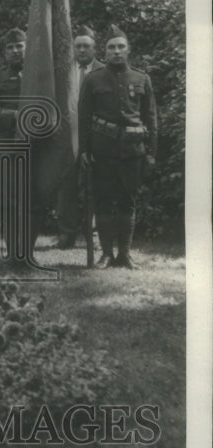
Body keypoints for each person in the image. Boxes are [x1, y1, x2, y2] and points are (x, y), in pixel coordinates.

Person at [78, 25, 157, 269]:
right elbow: (83, 118)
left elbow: (151, 117)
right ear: (105, 51)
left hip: (132, 152)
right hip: (102, 152)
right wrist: (84, 150)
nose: (116, 51)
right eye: (111, 47)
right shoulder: (93, 79)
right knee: (103, 202)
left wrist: (152, 152)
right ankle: (106, 255)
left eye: (120, 47)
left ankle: (125, 255)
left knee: (127, 201)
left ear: (128, 50)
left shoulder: (141, 78)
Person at [0, 27, 39, 257]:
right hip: (5, 146)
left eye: (19, 46)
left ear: (27, 49)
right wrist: (19, 115)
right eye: (10, 48)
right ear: (5, 53)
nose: (15, 51)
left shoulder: (39, 78)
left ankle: (27, 251)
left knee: (33, 200)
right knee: (7, 201)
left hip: (35, 147)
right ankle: (13, 251)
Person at [53, 25, 104, 248]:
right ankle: (66, 234)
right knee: (67, 187)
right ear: (73, 48)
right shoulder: (63, 72)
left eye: (86, 46)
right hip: (67, 137)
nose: (82, 50)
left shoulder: (104, 70)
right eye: (78, 46)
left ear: (95, 49)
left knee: (98, 186)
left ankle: (95, 234)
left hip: (97, 138)